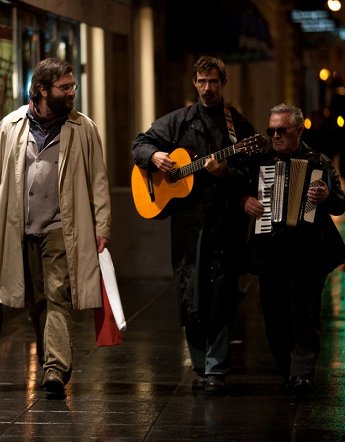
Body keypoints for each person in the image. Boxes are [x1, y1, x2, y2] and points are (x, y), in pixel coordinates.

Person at [0, 58, 111, 399]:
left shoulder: (83, 128)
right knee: (37, 301)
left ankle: (54, 369)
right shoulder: (12, 125)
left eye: (72, 86)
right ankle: (54, 359)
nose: (71, 93)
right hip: (22, 226)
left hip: (63, 227)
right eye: (64, 87)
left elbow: (99, 180)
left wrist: (102, 225)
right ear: (41, 90)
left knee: (58, 293)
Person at [131, 55, 256, 394]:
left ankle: (216, 370)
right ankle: (200, 365)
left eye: (213, 81)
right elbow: (140, 144)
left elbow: (252, 177)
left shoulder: (239, 129)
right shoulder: (180, 122)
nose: (207, 88)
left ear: (223, 83)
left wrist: (225, 172)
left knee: (219, 297)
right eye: (201, 81)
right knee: (190, 297)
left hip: (223, 226)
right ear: (194, 83)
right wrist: (154, 157)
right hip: (187, 227)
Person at [241, 103, 345, 399]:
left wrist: (327, 196)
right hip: (270, 250)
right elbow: (242, 191)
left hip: (308, 251)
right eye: (271, 130)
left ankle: (302, 374)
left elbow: (341, 203)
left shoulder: (319, 162)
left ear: (298, 130)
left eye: (281, 130)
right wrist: (245, 202)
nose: (275, 136)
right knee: (273, 314)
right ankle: (287, 370)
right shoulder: (260, 161)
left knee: (305, 314)